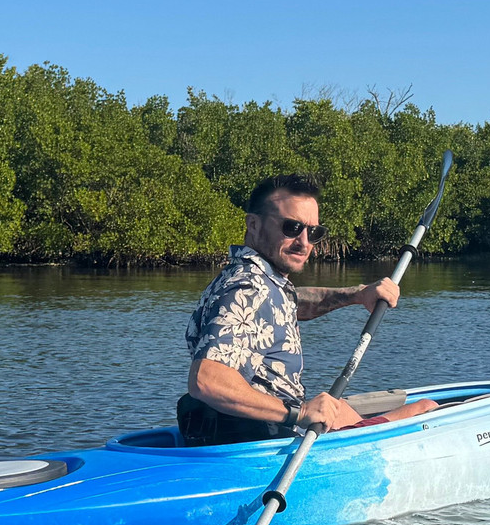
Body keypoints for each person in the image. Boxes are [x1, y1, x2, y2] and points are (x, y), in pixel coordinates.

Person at [178, 173, 437, 446]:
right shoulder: (248, 289)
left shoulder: (254, 280)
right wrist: (300, 413)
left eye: (314, 233)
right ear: (253, 224)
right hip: (266, 440)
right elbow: (207, 380)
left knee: (341, 410)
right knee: (425, 408)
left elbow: (287, 305)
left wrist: (358, 294)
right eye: (291, 227)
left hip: (258, 431)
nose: (304, 242)